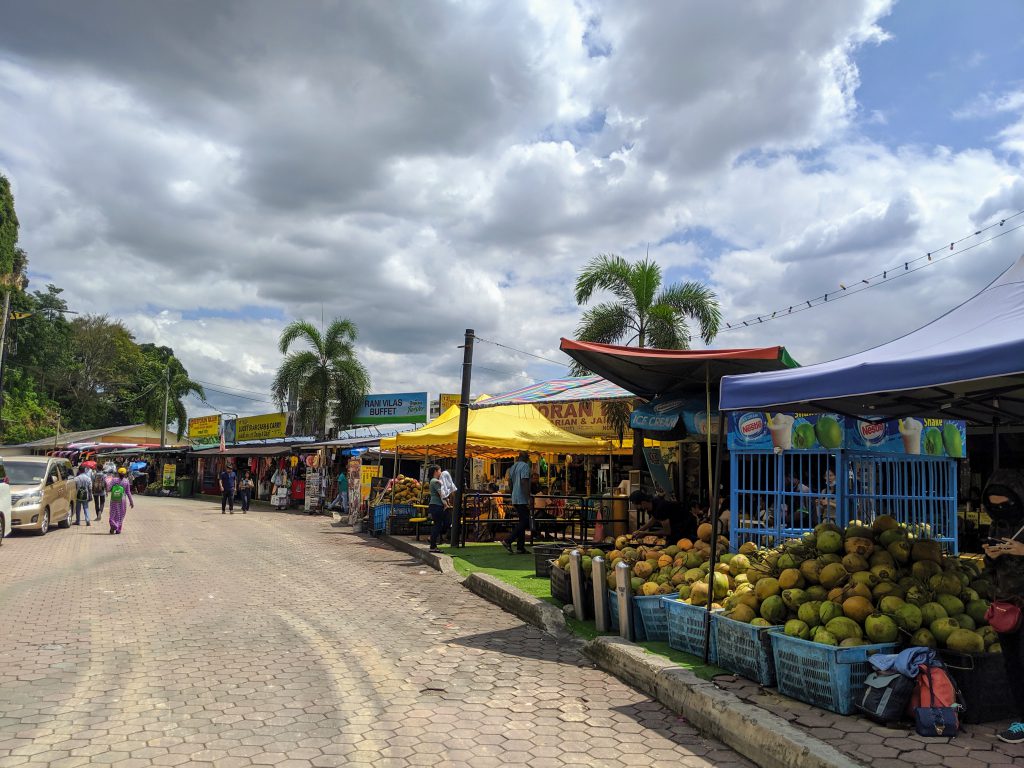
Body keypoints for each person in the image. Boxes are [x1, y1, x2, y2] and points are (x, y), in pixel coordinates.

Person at [980, 469, 1024, 743]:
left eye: (1005, 506)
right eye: (993, 506)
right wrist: (991, 556)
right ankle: (1020, 718)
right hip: (1007, 606)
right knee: (1013, 663)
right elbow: (994, 571)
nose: (999, 511)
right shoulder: (998, 526)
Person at [630, 489, 696, 543]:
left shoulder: (660, 507)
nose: (637, 509)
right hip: (676, 525)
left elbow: (667, 532)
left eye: (637, 506)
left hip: (686, 525)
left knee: (674, 545)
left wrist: (645, 533)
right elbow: (654, 519)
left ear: (642, 502)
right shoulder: (652, 504)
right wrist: (639, 530)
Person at [501, 451, 533, 554]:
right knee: (525, 521)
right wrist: (528, 497)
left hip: (515, 496)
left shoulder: (513, 467)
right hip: (522, 498)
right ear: (526, 458)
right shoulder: (525, 466)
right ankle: (508, 540)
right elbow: (524, 481)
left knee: (522, 521)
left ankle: (520, 546)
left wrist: (513, 492)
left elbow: (510, 482)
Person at [106, 467, 134, 534]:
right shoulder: (126, 481)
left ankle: (113, 525)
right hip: (122, 500)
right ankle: (118, 529)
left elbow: (109, 488)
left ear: (118, 474)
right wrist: (131, 501)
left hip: (114, 499)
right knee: (121, 514)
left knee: (113, 513)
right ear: (125, 474)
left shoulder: (114, 480)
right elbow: (128, 492)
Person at [427, 465, 447, 553]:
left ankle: (432, 542)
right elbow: (441, 494)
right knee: (438, 525)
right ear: (435, 471)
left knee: (438, 525)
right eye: (440, 470)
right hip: (437, 505)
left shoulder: (432, 481)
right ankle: (432, 544)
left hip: (434, 505)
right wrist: (446, 504)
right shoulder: (435, 481)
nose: (441, 472)